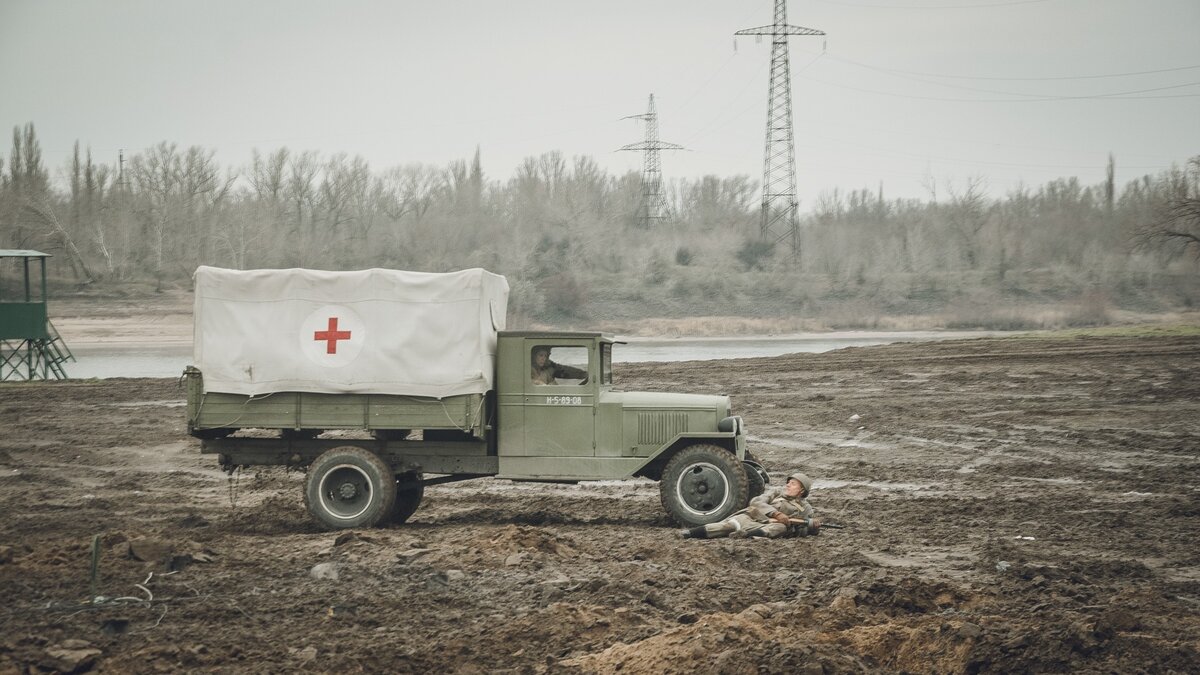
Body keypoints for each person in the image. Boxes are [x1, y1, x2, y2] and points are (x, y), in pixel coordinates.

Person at [680, 472, 820, 539]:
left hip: (769, 526)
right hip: (751, 517)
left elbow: (805, 527)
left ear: (802, 490)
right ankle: (689, 534)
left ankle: (745, 535)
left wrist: (813, 527)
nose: (788, 485)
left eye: (793, 483)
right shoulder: (777, 493)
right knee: (725, 527)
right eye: (789, 482)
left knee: (780, 527)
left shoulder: (806, 508)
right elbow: (756, 502)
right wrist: (776, 513)